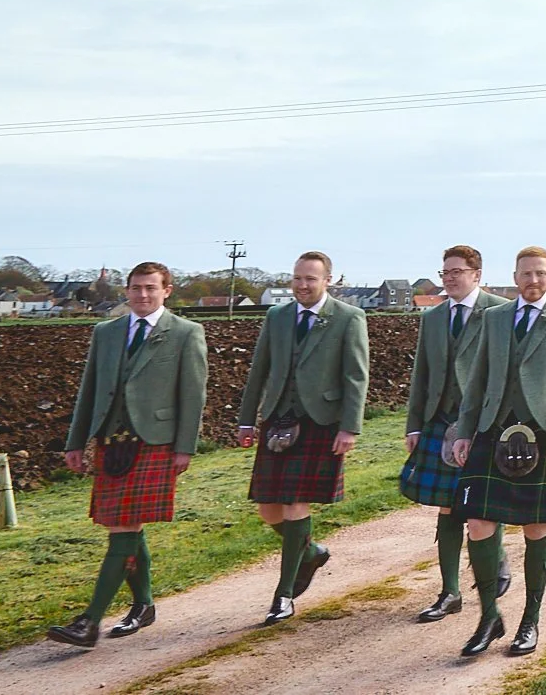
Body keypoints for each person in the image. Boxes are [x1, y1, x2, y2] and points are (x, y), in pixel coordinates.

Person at [47, 262, 210, 648]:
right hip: (111, 443)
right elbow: (89, 391)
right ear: (126, 290)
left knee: (123, 530)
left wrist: (185, 447)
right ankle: (144, 605)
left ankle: (90, 621)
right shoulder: (106, 332)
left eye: (151, 288)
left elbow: (193, 395)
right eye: (136, 288)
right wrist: (76, 442)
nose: (142, 295)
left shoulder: (186, 333)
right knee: (124, 527)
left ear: (167, 290)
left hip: (155, 442)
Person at [445, 246, 546, 657]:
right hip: (492, 430)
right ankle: (489, 617)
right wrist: (464, 431)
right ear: (514, 276)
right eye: (526, 274)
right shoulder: (493, 319)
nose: (532, 281)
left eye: (540, 274)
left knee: (535, 527)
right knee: (477, 523)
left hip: (543, 433)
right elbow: (477, 380)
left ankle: (530, 619)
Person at [236, 251, 369, 625]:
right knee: (268, 508)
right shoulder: (277, 316)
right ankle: (309, 551)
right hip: (279, 421)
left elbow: (356, 377)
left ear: (328, 281)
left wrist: (349, 427)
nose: (302, 285)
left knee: (295, 504)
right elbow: (258, 371)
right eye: (297, 278)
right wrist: (248, 421)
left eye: (310, 279)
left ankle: (284, 595)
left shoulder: (348, 318)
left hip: (321, 423)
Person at [399, 244, 511, 621]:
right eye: (445, 272)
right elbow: (422, 376)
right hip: (439, 421)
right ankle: (450, 592)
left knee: (481, 505)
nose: (449, 278)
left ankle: (496, 562)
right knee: (447, 506)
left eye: (457, 271)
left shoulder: (499, 311)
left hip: (482, 423)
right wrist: (415, 424)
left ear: (477, 275)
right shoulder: (432, 318)